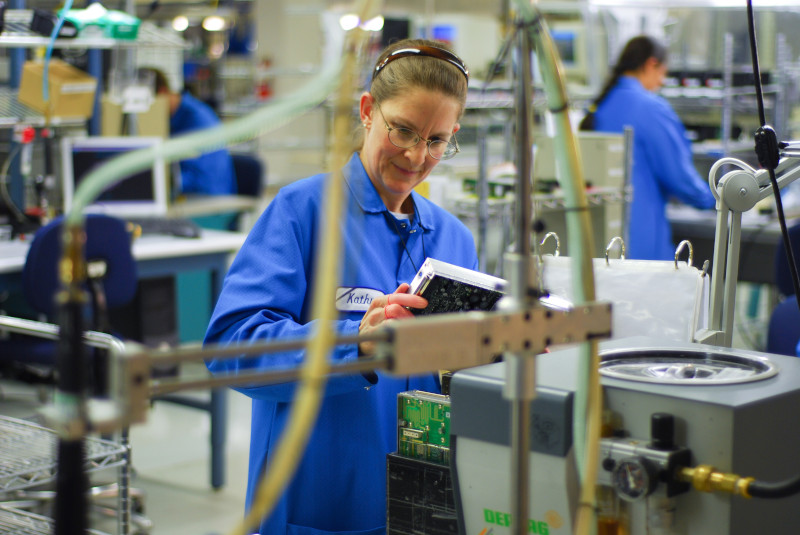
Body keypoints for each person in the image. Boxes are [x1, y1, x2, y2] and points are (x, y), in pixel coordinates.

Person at [204, 38, 477, 534]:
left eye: (437, 140)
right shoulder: (303, 212)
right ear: (369, 112)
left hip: (427, 509)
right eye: (403, 131)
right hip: (320, 503)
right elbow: (229, 348)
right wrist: (355, 343)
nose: (417, 156)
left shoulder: (454, 240)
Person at [579, 35, 716, 260]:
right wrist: (716, 199)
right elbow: (680, 177)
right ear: (652, 64)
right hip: (640, 244)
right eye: (663, 73)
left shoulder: (601, 105)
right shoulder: (650, 108)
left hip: (601, 241)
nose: (662, 82)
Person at [138, 67, 236, 196]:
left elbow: (200, 180)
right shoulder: (173, 118)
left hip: (209, 202)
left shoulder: (195, 120)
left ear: (162, 93)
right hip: (190, 196)